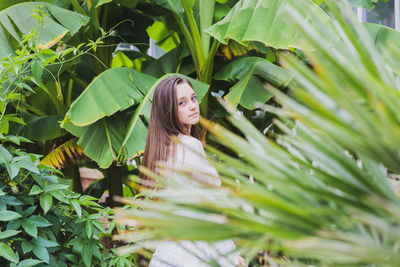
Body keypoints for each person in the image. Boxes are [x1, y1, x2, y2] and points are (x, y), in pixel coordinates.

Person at [140, 76, 241, 267]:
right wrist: (231, 257)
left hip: (168, 253)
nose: (193, 106)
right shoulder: (189, 145)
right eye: (182, 103)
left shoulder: (159, 151)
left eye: (193, 99)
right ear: (168, 110)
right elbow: (210, 209)